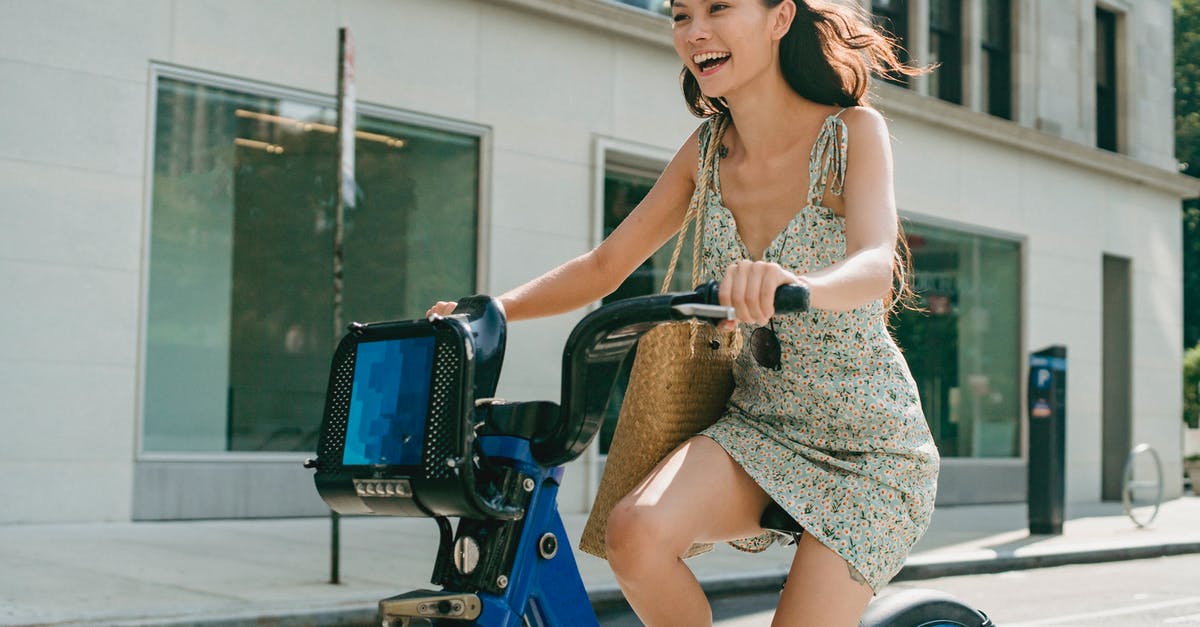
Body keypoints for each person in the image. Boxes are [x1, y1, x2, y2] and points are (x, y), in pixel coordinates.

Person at [427, 0, 939, 624]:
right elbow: (603, 266)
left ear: (780, 18)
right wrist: (490, 311)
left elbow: (874, 263)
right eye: (679, 15)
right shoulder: (705, 152)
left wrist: (796, 282)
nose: (696, 31)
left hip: (869, 449)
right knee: (634, 534)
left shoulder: (850, 133)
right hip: (760, 429)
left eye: (719, 8)